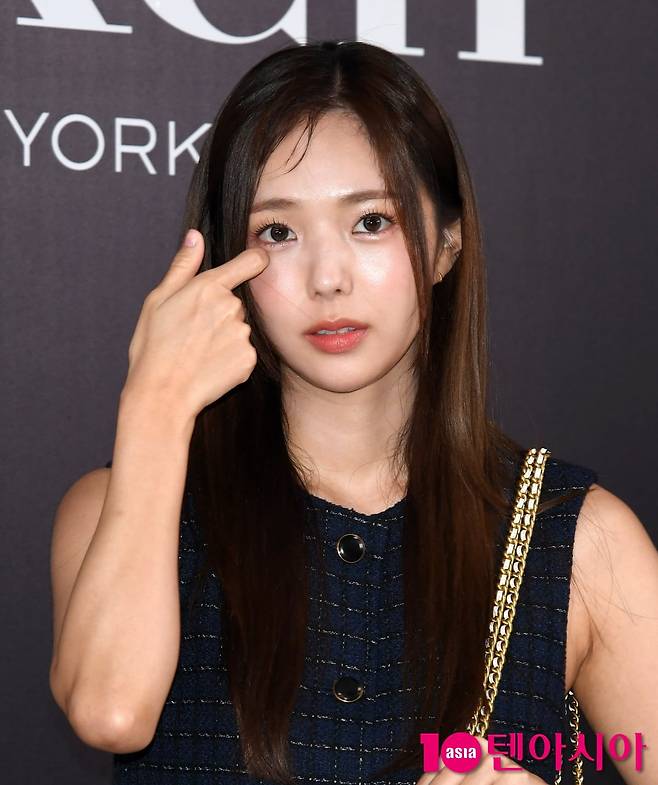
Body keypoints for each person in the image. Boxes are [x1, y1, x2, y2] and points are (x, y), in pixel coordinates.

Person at [48, 40, 657, 785]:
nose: (328, 278)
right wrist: (153, 406)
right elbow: (111, 713)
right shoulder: (119, 510)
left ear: (446, 244)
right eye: (277, 232)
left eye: (371, 221)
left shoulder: (579, 538)